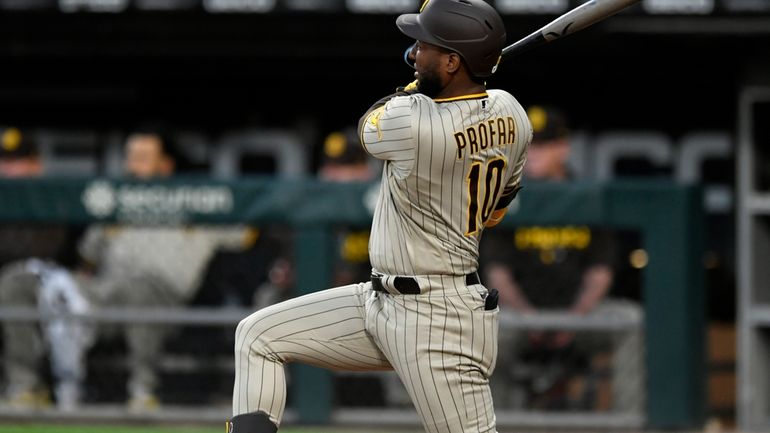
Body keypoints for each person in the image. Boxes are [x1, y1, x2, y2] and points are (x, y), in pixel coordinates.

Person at [229, 1, 531, 431]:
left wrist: (417, 88)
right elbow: (496, 214)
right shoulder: (512, 113)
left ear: (451, 62)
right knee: (258, 335)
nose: (414, 52)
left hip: (436, 317)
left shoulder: (413, 123)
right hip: (380, 299)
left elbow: (373, 117)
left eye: (425, 45)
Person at [0, 130, 256, 411]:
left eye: (143, 158)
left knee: (141, 288)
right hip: (101, 293)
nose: (133, 166)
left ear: (165, 166)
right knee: (18, 280)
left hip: (161, 297)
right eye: (130, 158)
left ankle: (142, 392)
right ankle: (24, 387)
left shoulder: (195, 202)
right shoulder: (117, 201)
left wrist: (206, 205)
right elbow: (87, 258)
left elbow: (250, 228)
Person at [479, 105, 644, 413]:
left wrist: (575, 318)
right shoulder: (506, 197)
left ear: (563, 147)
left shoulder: (587, 197)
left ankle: (627, 421)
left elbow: (600, 271)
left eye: (542, 146)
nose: (533, 155)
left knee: (630, 321)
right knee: (484, 329)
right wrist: (529, 318)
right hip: (520, 316)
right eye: (527, 147)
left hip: (581, 316)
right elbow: (497, 272)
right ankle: (494, 423)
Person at [0, 127, 83, 409]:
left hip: (45, 288)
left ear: (36, 164)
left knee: (13, 284)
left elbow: (48, 252)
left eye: (19, 161)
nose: (10, 169)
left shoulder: (51, 199)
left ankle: (25, 386)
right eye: (5, 161)